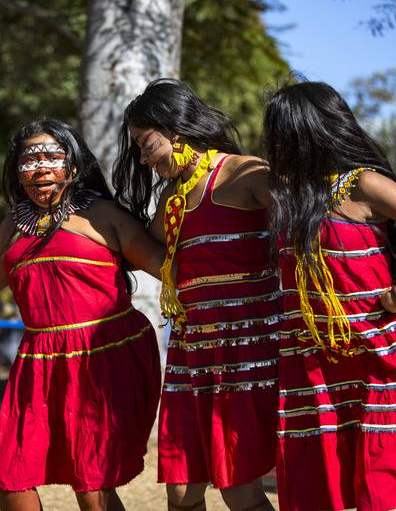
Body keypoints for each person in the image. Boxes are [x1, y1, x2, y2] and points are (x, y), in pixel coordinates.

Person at [264, 81, 396, 511]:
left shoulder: (363, 185)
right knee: (324, 484)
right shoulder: (288, 196)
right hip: (314, 360)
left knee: (386, 489)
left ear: (309, 130)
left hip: (381, 350)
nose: (275, 142)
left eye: (282, 131)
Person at [0, 119, 163, 511]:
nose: (41, 168)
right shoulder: (13, 223)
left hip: (104, 356)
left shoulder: (104, 215)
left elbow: (164, 264)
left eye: (51, 157)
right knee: (13, 477)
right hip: (39, 360)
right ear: (16, 172)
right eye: (29, 161)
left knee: (92, 486)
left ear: (74, 166)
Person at [113, 78, 280, 511]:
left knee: (239, 488)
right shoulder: (173, 197)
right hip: (193, 353)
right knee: (182, 492)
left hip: (247, 352)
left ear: (176, 131)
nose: (142, 158)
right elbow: (138, 250)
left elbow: (304, 233)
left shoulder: (248, 173)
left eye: (144, 143)